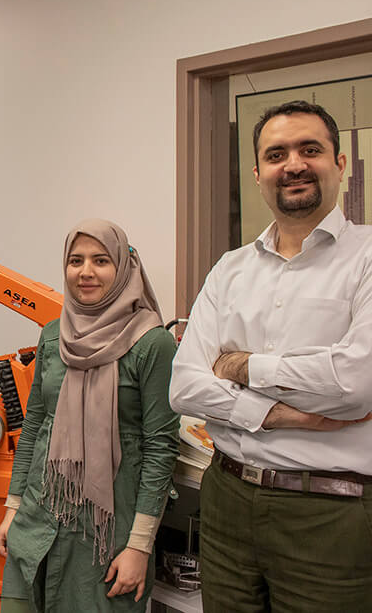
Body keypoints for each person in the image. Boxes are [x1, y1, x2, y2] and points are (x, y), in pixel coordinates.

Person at [170, 100, 372, 611]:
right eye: (277, 154)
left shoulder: (367, 258)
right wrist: (283, 413)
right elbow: (186, 386)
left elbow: (354, 385)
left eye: (311, 149)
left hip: (329, 512)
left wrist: (242, 366)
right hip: (227, 497)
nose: (294, 164)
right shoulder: (231, 269)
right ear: (259, 173)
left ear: (340, 163)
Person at [0, 219, 179, 613]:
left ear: (124, 267)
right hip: (37, 519)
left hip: (103, 538)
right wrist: (13, 509)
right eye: (75, 260)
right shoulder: (52, 335)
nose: (86, 271)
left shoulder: (152, 343)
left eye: (100, 260)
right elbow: (34, 427)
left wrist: (139, 547)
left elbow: (161, 450)